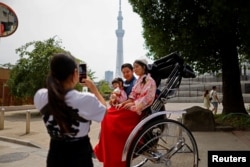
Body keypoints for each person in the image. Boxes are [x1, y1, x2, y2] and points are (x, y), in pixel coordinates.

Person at [33, 53, 107, 167]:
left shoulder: (40, 96)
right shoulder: (86, 99)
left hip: (55, 153)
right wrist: (93, 88)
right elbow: (104, 113)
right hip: (79, 155)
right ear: (75, 73)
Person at [94, 58, 157, 167]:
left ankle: (115, 155)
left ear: (144, 67)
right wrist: (124, 104)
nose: (135, 69)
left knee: (110, 121)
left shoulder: (149, 80)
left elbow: (147, 98)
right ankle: (107, 152)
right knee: (108, 115)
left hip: (138, 110)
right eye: (135, 67)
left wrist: (133, 104)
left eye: (137, 66)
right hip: (132, 107)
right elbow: (132, 97)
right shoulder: (139, 80)